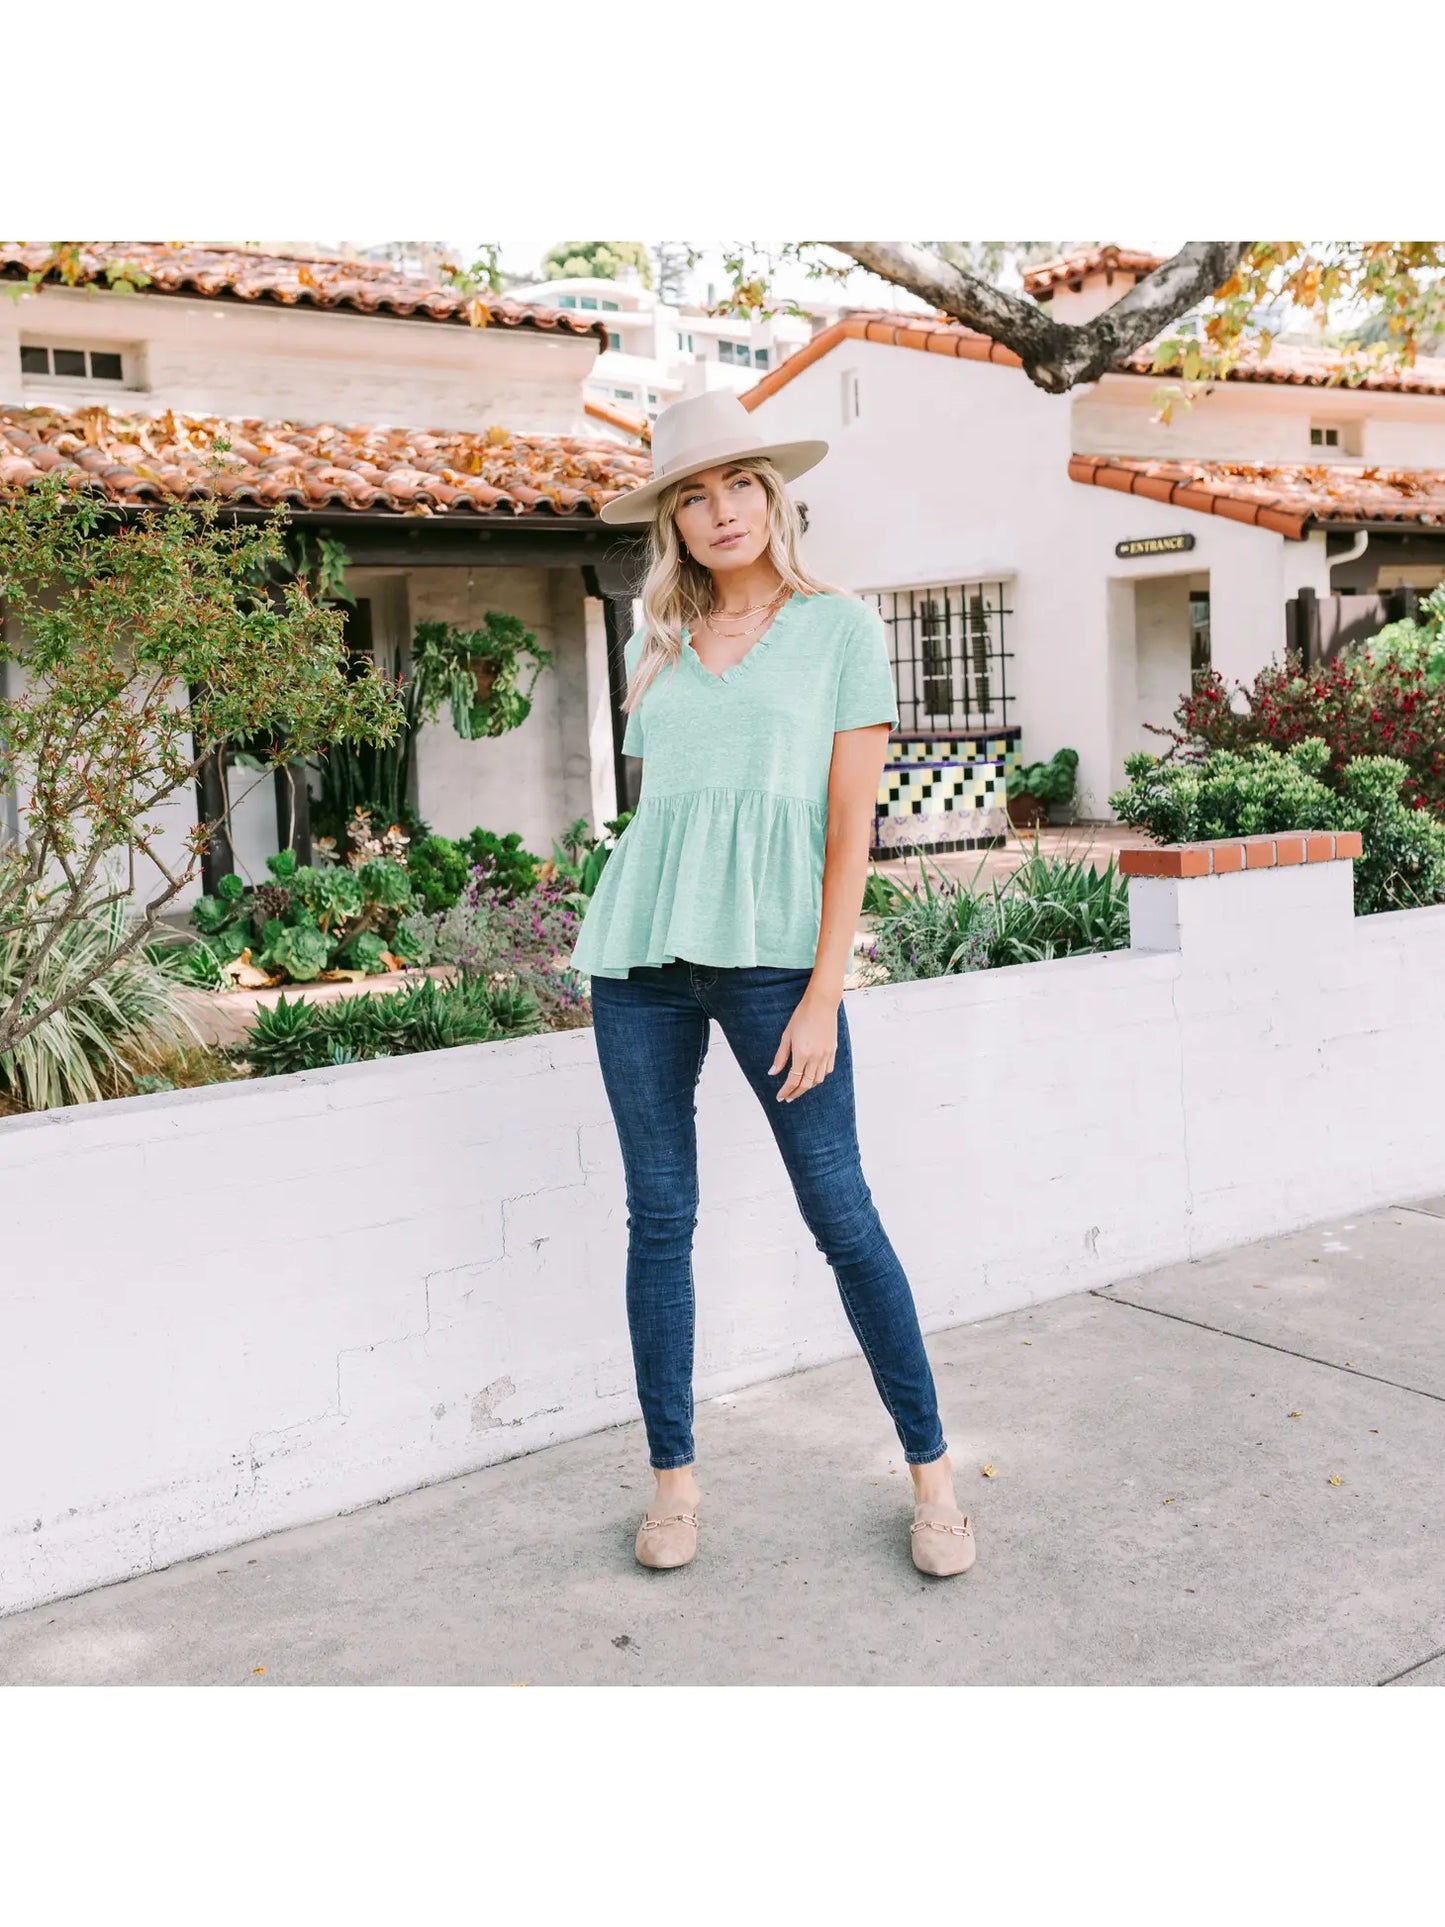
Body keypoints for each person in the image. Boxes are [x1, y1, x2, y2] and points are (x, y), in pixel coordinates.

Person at [571, 390, 975, 1581]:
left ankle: (934, 1478)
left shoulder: (839, 628)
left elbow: (849, 830)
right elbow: (664, 817)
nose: (718, 511)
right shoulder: (655, 641)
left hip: (771, 966)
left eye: (735, 484)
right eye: (690, 496)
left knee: (840, 1217)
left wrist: (821, 991)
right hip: (638, 961)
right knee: (659, 1219)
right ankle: (673, 1484)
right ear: (673, 522)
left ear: (771, 494)